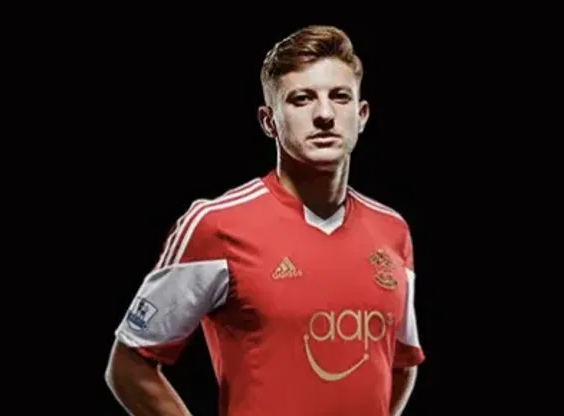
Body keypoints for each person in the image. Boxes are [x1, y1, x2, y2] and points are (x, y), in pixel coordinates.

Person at [105, 24, 425, 416]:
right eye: (302, 99)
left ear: (361, 115)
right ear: (269, 121)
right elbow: (129, 365)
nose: (325, 114)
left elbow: (401, 362)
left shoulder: (392, 230)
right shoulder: (216, 224)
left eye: (340, 97)